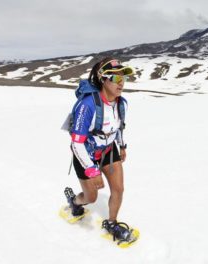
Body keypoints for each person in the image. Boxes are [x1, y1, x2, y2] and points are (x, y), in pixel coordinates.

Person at [65, 57, 134, 242]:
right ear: (103, 79)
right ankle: (74, 202)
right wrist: (92, 170)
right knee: (91, 198)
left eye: (124, 79)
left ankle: (112, 223)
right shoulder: (87, 106)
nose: (122, 83)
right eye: (117, 79)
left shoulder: (121, 103)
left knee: (118, 189)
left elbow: (118, 127)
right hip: (85, 155)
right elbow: (76, 143)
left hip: (109, 150)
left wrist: (121, 146)